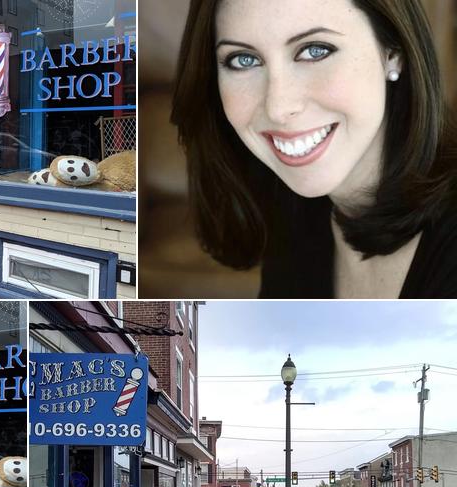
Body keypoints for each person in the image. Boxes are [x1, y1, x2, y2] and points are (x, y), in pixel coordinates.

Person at [171, 0, 457, 298]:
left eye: (315, 50)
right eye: (244, 60)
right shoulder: (291, 206)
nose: (278, 107)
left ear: (393, 52)